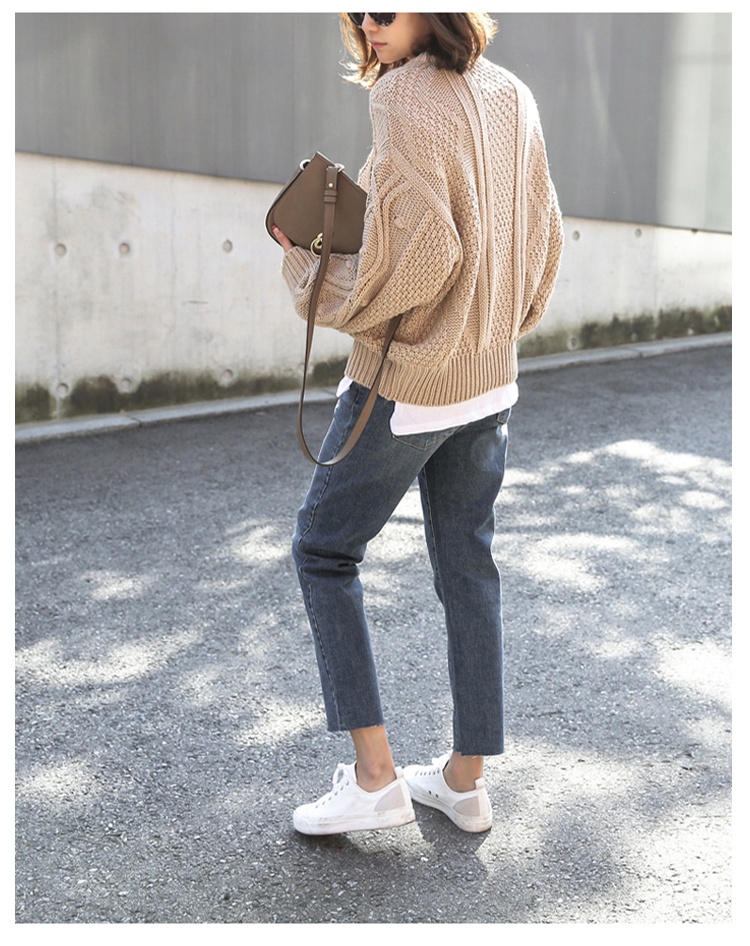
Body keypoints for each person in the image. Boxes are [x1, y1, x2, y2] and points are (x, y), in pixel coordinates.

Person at [271, 12, 563, 835]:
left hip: (410, 386)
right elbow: (544, 234)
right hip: (491, 382)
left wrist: (309, 267)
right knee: (468, 569)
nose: (368, 26)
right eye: (357, 12)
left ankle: (376, 780)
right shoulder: (513, 93)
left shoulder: (401, 96)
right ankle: (464, 782)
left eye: (385, 10)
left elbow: (423, 257)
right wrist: (498, 330)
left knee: (323, 551)